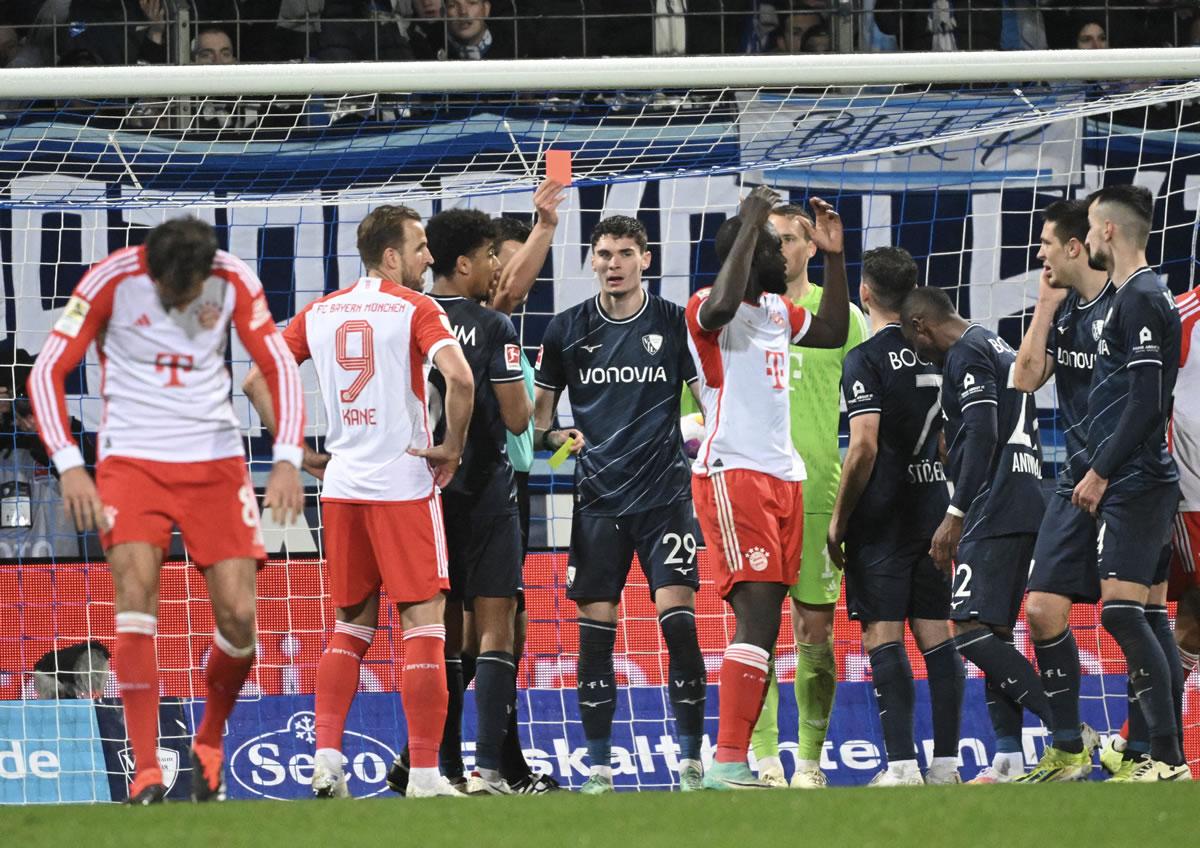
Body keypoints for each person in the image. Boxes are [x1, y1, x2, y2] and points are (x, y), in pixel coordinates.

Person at [28, 217, 306, 804]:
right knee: (135, 602)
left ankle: (208, 742)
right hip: (132, 463)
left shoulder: (233, 278)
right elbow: (45, 371)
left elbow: (279, 365)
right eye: (169, 291)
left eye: (189, 292)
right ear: (150, 268)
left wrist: (286, 458)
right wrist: (70, 463)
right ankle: (147, 770)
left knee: (237, 619)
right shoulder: (110, 279)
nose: (180, 301)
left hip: (215, 462)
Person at [243, 204, 476, 799]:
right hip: (402, 484)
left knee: (350, 627)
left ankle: (326, 761)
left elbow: (255, 379)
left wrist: (294, 447)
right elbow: (462, 378)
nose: (430, 258)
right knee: (425, 624)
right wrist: (451, 447)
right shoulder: (417, 308)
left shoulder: (320, 311)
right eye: (421, 247)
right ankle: (424, 772)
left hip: (343, 488)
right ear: (392, 256)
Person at [533, 215, 708, 794]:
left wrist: (697, 435)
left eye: (625, 253)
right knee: (596, 633)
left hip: (666, 500)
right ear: (591, 261)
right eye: (604, 253)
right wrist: (563, 447)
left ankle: (690, 763)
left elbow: (709, 402)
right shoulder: (564, 331)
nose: (614, 264)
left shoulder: (675, 324)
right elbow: (538, 428)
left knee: (679, 627)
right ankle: (601, 768)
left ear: (646, 260)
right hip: (598, 503)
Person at [686, 186, 849, 790]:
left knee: (767, 624)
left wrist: (833, 256)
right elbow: (723, 301)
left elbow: (833, 330)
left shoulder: (780, 313)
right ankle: (730, 759)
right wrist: (750, 218)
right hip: (735, 475)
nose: (787, 257)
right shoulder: (708, 305)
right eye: (776, 246)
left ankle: (733, 760)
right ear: (752, 251)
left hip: (785, 480)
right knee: (755, 619)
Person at [900, 285, 1050, 784]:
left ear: (922, 325)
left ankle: (1069, 730)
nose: (916, 350)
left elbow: (985, 430)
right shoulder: (997, 343)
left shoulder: (964, 353)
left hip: (992, 505)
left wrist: (956, 511)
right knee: (996, 633)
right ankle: (1007, 758)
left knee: (966, 629)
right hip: (1027, 494)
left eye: (912, 338)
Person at [826, 246, 964, 787]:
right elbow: (954, 442)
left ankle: (903, 765)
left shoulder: (865, 357)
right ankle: (947, 765)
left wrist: (840, 520)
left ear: (864, 293)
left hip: (882, 516)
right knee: (937, 633)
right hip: (934, 510)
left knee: (883, 634)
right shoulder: (939, 349)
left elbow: (862, 447)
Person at [749, 204, 869, 789]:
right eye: (769, 236)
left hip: (818, 487)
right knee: (755, 626)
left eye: (790, 238)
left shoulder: (840, 315)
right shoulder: (738, 311)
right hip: (751, 491)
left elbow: (871, 402)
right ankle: (765, 757)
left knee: (814, 631)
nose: (779, 246)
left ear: (810, 248)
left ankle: (810, 762)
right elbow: (694, 404)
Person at [1072, 184, 1188, 782]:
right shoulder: (1134, 296)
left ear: (1110, 231)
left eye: (1091, 226)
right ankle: (1164, 756)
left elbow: (1146, 401)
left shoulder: (1142, 298)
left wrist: (1099, 470)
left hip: (1137, 479)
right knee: (1145, 613)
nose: (1088, 236)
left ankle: (1165, 756)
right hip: (1141, 477)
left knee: (1121, 614)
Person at [423, 208, 530, 796]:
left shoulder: (409, 319)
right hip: (486, 488)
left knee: (439, 633)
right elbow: (517, 418)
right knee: (495, 630)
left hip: (426, 496)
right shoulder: (493, 328)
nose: (497, 267)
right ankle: (490, 769)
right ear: (463, 264)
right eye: (491, 256)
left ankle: (442, 769)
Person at [1009, 199, 1112, 782]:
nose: (1039, 253)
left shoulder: (1126, 306)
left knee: (1137, 617)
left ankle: (1152, 749)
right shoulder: (1067, 311)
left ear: (1075, 246)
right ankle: (1070, 749)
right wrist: (1046, 307)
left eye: (1046, 243)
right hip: (1072, 481)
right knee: (1042, 610)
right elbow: (1023, 379)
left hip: (1126, 483)